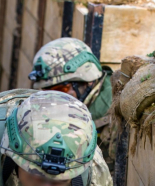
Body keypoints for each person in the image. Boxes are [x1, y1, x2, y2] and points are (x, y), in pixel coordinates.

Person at [28, 38, 114, 169]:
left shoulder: (115, 111)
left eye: (60, 89)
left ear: (88, 81)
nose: (53, 97)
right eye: (47, 91)